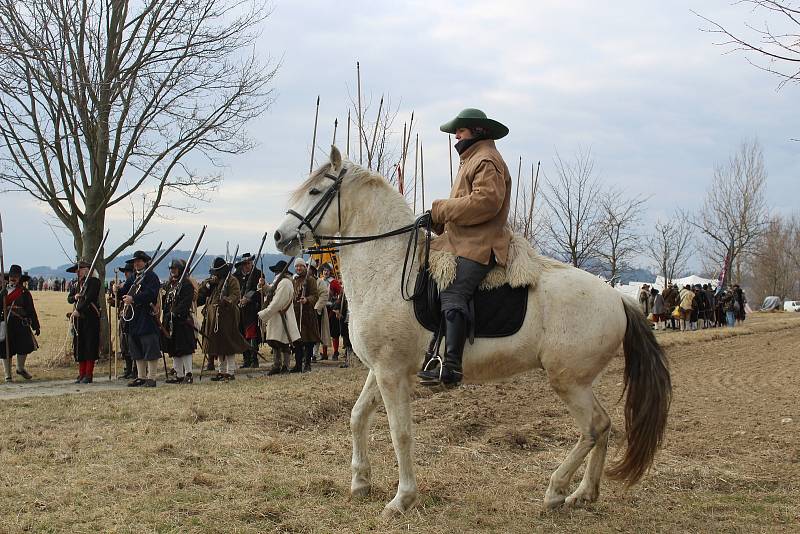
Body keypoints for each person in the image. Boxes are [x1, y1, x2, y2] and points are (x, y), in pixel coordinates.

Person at [417, 108, 512, 386]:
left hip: (480, 244)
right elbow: (462, 207)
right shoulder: (471, 159)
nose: (456, 135)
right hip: (459, 240)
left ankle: (452, 366)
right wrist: (434, 219)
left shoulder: (486, 159)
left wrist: (441, 209)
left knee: (453, 291)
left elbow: (486, 202)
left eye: (461, 130)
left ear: (477, 131)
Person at [197, 257, 251, 381]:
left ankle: (230, 372)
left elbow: (235, 296)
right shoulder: (213, 281)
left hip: (228, 316)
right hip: (213, 316)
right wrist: (210, 283)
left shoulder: (231, 280)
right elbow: (201, 291)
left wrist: (226, 300)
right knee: (218, 345)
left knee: (229, 345)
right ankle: (221, 371)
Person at [120, 250, 162, 387]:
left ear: (144, 262)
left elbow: (151, 294)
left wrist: (134, 298)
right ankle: (141, 376)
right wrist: (117, 290)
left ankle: (152, 377)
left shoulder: (151, 277)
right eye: (135, 262)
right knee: (136, 347)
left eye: (139, 261)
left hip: (146, 316)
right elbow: (125, 290)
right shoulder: (133, 278)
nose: (137, 264)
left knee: (150, 347)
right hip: (134, 317)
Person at [258, 260, 300, 375]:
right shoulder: (279, 281)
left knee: (284, 342)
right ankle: (277, 365)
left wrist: (265, 313)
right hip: (276, 316)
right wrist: (263, 285)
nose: (275, 273)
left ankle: (285, 366)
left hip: (282, 316)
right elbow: (271, 291)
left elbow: (278, 302)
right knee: (275, 342)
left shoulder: (285, 283)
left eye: (277, 271)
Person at [161, 259, 198, 384]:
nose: (172, 271)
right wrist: (166, 315)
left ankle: (188, 373)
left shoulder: (186, 284)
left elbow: (186, 302)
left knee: (185, 348)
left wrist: (175, 312)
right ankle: (179, 374)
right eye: (171, 269)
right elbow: (165, 302)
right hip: (171, 321)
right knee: (174, 349)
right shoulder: (170, 285)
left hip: (182, 320)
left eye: (175, 268)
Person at [1, 264, 40, 381]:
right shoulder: (2, 290)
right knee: (5, 349)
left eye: (16, 276)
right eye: (12, 276)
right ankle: (8, 375)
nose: (13, 278)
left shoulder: (24, 292)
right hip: (6, 322)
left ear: (19, 278)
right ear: (8, 277)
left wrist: (36, 325)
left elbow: (30, 309)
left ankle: (20, 368)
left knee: (24, 346)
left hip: (20, 322)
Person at [66, 260, 101, 383]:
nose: (78, 271)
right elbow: (69, 299)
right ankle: (81, 373)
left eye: (80, 269)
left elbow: (90, 298)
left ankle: (88, 374)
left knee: (89, 345)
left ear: (87, 270)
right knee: (79, 345)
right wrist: (74, 297)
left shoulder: (94, 282)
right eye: (77, 270)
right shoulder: (76, 284)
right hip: (79, 318)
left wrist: (79, 309)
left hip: (90, 317)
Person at [234, 253, 262, 369]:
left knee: (252, 335)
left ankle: (254, 359)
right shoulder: (236, 276)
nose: (247, 265)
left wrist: (248, 298)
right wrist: (239, 299)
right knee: (242, 335)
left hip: (252, 309)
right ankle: (246, 359)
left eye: (249, 263)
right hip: (239, 310)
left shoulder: (258, 274)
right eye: (245, 263)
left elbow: (259, 291)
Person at [291, 258, 320, 372]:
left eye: (301, 266)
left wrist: (307, 300)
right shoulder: (295, 280)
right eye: (297, 266)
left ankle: (307, 364)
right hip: (296, 314)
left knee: (308, 341)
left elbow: (315, 295)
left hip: (307, 313)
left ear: (304, 267)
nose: (299, 268)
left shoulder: (311, 280)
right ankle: (298, 365)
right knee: (297, 341)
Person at [109, 260, 137, 379]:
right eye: (125, 272)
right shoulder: (126, 285)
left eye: (128, 272)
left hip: (133, 317)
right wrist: (114, 298)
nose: (126, 274)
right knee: (124, 345)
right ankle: (128, 369)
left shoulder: (135, 285)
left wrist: (119, 293)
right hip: (123, 317)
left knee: (133, 345)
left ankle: (136, 370)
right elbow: (121, 299)